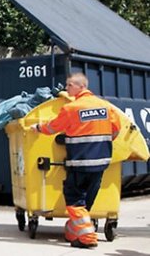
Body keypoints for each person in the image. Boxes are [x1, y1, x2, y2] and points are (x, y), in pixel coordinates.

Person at [30, 72, 121, 248]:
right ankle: (73, 232)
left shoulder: (72, 108)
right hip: (100, 162)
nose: (66, 88)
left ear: (81, 86)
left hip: (80, 162)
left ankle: (87, 237)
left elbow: (53, 127)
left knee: (74, 197)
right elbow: (116, 130)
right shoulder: (106, 107)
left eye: (70, 84)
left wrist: (38, 128)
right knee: (86, 200)